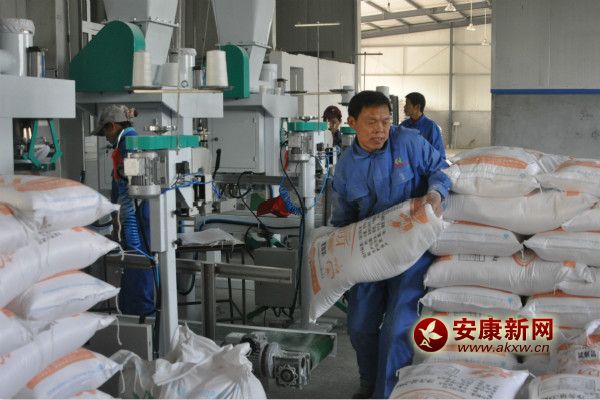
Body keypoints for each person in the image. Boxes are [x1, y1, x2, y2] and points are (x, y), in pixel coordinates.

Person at [331, 91, 451, 399]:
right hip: (370, 253)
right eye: (371, 122)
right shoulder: (345, 168)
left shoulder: (407, 142)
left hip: (411, 253)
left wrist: (435, 193)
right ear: (352, 122)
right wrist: (341, 267)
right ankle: (369, 382)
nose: (380, 130)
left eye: (385, 122)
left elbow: (441, 168)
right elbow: (343, 220)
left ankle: (387, 393)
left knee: (398, 326)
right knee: (359, 326)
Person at [91, 104, 155, 317]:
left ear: (112, 125)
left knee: (138, 260)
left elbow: (129, 185)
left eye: (105, 132)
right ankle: (132, 311)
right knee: (135, 260)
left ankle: (140, 313)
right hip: (136, 214)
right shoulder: (128, 143)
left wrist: (120, 216)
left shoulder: (129, 143)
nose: (106, 138)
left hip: (137, 215)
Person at [401, 92, 446, 159]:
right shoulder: (403, 126)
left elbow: (439, 154)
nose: (404, 106)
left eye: (407, 104)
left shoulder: (431, 127)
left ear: (417, 107)